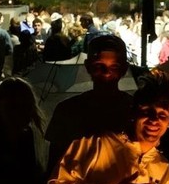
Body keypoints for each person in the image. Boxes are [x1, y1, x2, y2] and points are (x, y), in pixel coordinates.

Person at [44, 34, 133, 175]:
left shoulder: (136, 110)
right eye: (99, 66)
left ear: (124, 69)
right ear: (88, 66)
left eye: (113, 67)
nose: (106, 73)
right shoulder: (67, 110)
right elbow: (55, 166)